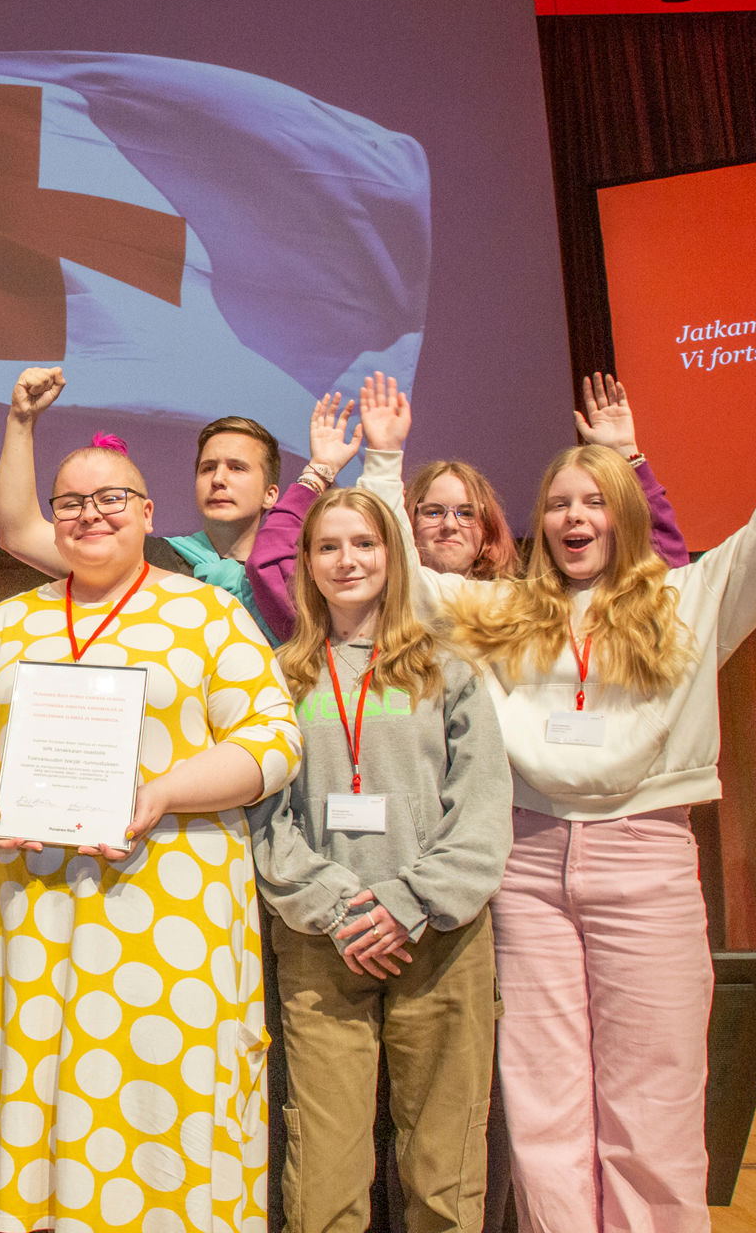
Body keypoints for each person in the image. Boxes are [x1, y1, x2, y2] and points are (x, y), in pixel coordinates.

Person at [362, 305, 756, 1231]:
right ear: (540, 522)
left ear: (622, 511)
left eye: (593, 500)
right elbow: (408, 580)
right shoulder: (500, 613)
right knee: (544, 1108)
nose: (574, 516)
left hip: (647, 866)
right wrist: (386, 464)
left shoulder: (692, 599)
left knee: (656, 1105)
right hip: (527, 868)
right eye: (557, 503)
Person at [0, 434, 301, 1232]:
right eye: (71, 503)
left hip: (163, 926)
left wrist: (159, 792)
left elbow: (272, 740)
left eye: (111, 499)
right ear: (52, 522)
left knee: (162, 1112)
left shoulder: (206, 614)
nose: (91, 515)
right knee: (45, 1105)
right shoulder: (10, 624)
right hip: (28, 922)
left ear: (148, 512)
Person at [249, 487, 511, 1232]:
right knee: (325, 1171)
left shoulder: (448, 668)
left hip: (440, 940)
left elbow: (483, 806)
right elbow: (266, 817)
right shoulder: (278, 676)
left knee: (444, 1168)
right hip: (322, 944)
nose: (346, 561)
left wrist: (405, 904)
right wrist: (337, 907)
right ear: (305, 563)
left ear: (393, 556)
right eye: (327, 547)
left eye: (364, 543)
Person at [248, 373, 692, 641]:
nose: (449, 525)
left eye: (465, 513)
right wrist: (321, 470)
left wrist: (629, 459)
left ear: (489, 532)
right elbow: (271, 563)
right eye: (433, 511)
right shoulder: (359, 611)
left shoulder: (524, 607)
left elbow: (659, 575)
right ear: (404, 522)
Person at [0, 366, 284, 639]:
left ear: (271, 493)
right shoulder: (148, 557)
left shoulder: (293, 575)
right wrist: (20, 420)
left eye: (237, 468)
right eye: (208, 468)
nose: (219, 479)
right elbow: (20, 533)